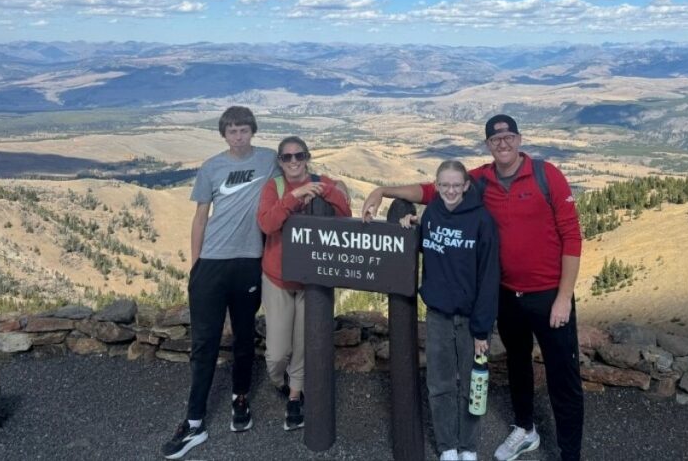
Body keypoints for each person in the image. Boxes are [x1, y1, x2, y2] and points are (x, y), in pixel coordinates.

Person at [363, 115, 584, 461]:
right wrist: (383, 191)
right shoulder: (481, 179)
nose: (503, 144)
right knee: (518, 365)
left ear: (519, 139)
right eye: (496, 140)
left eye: (509, 137)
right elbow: (432, 190)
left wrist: (564, 297)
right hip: (507, 294)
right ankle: (526, 430)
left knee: (563, 376)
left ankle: (571, 454)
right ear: (488, 145)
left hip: (548, 294)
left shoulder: (547, 175)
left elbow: (572, 235)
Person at [162, 106, 277, 460]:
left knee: (244, 336)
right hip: (212, 262)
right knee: (205, 343)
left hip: (248, 261)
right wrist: (196, 266)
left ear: (252, 132)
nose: (239, 136)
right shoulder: (211, 167)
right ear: (224, 134)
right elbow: (200, 219)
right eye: (232, 131)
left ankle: (240, 397)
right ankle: (194, 422)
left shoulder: (270, 160)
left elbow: (299, 172)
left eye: (244, 130)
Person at [398, 160, 499, 461]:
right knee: (440, 385)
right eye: (445, 185)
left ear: (467, 185)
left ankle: (468, 446)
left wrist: (482, 330)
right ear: (437, 185)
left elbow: (489, 277)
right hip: (438, 315)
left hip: (471, 320)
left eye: (457, 185)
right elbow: (427, 246)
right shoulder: (431, 214)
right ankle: (447, 447)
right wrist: (409, 227)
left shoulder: (482, 220)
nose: (451, 190)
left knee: (472, 386)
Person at [256, 136, 351, 431]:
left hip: (312, 280)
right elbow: (267, 224)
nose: (294, 161)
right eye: (287, 157)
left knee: (302, 344)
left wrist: (326, 190)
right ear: (280, 162)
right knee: (276, 353)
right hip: (278, 279)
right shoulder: (275, 187)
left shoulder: (321, 181)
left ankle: (295, 396)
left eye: (299, 156)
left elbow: (344, 213)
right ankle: (278, 380)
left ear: (307, 157)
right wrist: (296, 197)